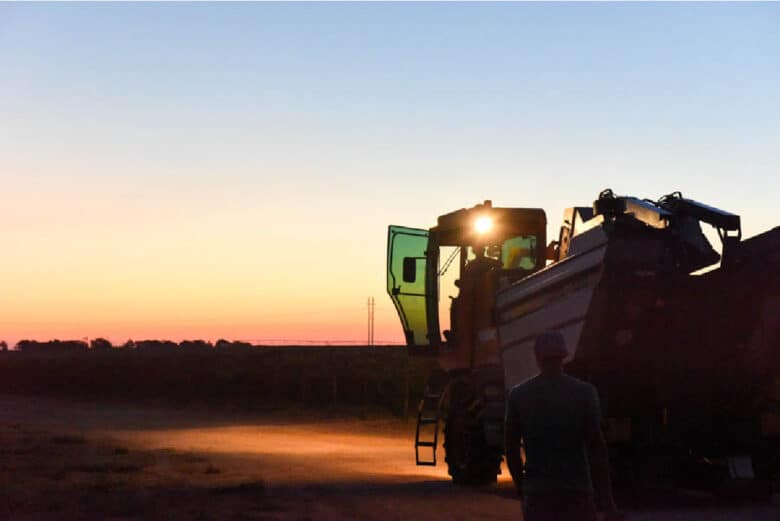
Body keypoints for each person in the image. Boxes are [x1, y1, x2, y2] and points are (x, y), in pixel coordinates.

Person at [505, 330, 623, 521]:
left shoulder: (519, 395)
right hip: (577, 493)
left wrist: (522, 487)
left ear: (537, 357)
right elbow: (597, 448)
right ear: (564, 356)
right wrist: (608, 503)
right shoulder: (584, 393)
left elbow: (511, 449)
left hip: (538, 494)